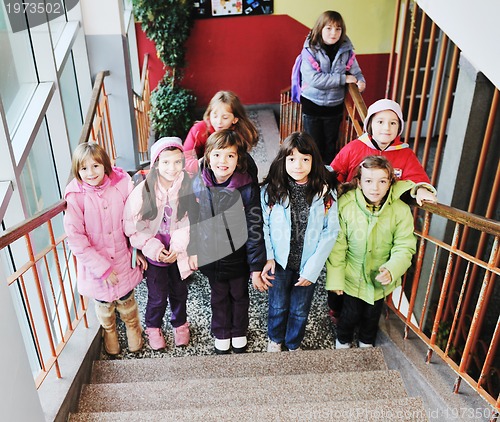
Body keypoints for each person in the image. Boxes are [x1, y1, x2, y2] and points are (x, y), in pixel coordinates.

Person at [328, 98, 437, 323]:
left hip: (383, 220)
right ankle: (336, 308)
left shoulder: (404, 154)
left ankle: (367, 313)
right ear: (370, 124)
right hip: (351, 216)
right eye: (380, 122)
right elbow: (335, 172)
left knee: (374, 267)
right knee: (342, 259)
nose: (386, 128)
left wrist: (422, 190)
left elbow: (418, 179)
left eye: (393, 123)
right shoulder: (354, 148)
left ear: (399, 128)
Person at [256, 132, 340, 352]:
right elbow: (263, 225)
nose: (298, 165)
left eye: (305, 159)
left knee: (300, 309)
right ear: (283, 160)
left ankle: (293, 343)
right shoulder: (271, 190)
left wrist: (312, 269)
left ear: (314, 161)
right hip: (279, 263)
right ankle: (275, 339)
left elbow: (330, 232)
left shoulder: (325, 194)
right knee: (277, 305)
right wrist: (269, 256)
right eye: (291, 159)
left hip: (306, 264)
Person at [326, 155, 417, 348]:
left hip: (378, 278)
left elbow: (404, 244)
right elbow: (337, 246)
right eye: (368, 181)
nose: (375, 188)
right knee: (349, 314)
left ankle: (366, 343)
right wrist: (335, 278)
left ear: (390, 182)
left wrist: (393, 268)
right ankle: (343, 340)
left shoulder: (400, 210)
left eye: (382, 181)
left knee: (372, 315)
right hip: (351, 275)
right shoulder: (346, 205)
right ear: (359, 183)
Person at [64, 142, 146, 355]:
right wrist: (103, 269)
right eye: (84, 168)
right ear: (77, 170)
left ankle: (133, 330)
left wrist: (137, 251)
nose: (90, 173)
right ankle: (109, 333)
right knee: (103, 306)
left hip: (122, 258)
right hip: (95, 267)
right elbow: (76, 239)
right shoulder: (75, 196)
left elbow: (135, 220)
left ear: (105, 165)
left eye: (96, 166)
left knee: (127, 300)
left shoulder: (121, 184)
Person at [188, 129, 266, 354]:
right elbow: (193, 221)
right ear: (208, 158)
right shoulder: (198, 185)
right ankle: (222, 332)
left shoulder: (246, 187)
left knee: (239, 295)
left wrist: (255, 265)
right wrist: (193, 250)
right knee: (218, 295)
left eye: (230, 156)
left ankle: (239, 330)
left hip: (238, 254)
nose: (223, 161)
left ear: (238, 159)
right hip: (211, 254)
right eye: (218, 155)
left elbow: (254, 226)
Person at [123, 137, 193, 350]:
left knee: (180, 293)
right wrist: (154, 249)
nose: (172, 168)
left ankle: (180, 324)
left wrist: (177, 248)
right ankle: (153, 327)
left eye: (177, 162)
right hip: (155, 256)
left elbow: (189, 221)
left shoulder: (186, 186)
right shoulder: (142, 192)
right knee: (157, 296)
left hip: (178, 254)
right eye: (166, 162)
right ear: (155, 164)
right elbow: (132, 228)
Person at [299, 10, 366, 164]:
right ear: (320, 28)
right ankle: (313, 177)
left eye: (338, 29)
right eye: (328, 28)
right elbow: (315, 79)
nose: (333, 33)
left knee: (331, 144)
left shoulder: (346, 50)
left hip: (334, 106)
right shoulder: (310, 50)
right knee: (313, 145)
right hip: (312, 105)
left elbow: (356, 71)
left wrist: (361, 81)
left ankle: (328, 176)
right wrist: (344, 78)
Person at [183, 90, 259, 181]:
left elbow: (240, 163)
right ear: (209, 114)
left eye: (225, 117)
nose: (219, 121)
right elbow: (185, 158)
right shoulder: (199, 130)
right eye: (215, 116)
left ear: (235, 119)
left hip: (230, 174)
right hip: (201, 174)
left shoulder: (240, 135)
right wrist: (202, 164)